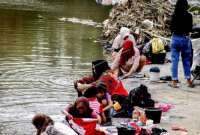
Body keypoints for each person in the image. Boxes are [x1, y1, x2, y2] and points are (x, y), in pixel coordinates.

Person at [168, 0, 195, 88]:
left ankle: (174, 82)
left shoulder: (175, 15)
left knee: (175, 60)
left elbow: (171, 28)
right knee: (186, 60)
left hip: (176, 38)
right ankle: (188, 82)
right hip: (185, 38)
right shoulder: (189, 16)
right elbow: (190, 29)